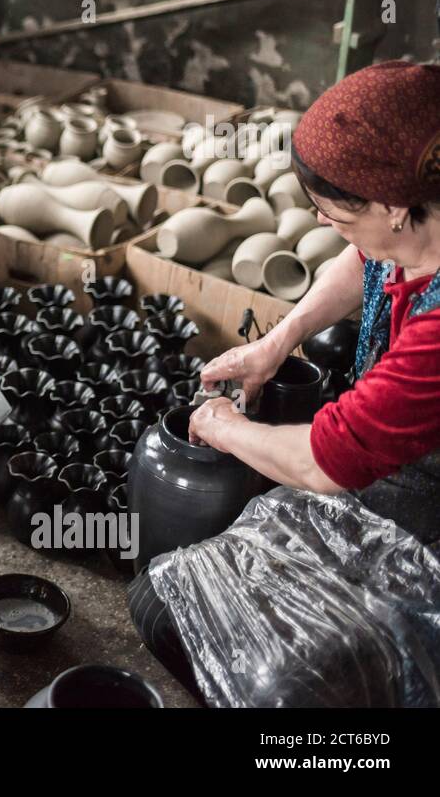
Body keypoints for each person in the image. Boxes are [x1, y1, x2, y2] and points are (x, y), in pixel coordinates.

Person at [128, 60, 440, 701]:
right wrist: (277, 341)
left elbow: (328, 462)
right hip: (384, 490)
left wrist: (222, 425)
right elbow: (363, 261)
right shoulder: (412, 232)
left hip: (424, 530)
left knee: (283, 691)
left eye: (334, 214)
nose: (325, 227)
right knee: (162, 603)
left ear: (394, 205)